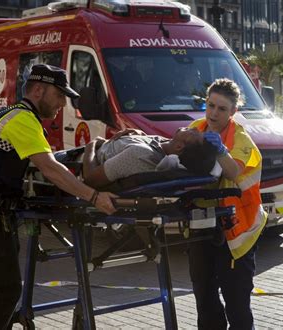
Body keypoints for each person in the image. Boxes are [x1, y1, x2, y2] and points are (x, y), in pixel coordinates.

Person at [0, 64, 117, 330]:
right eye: (59, 95)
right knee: (3, 293)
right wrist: (94, 196)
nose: (63, 103)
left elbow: (37, 161)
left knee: (2, 292)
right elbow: (50, 168)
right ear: (39, 90)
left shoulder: (8, 114)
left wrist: (90, 152)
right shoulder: (23, 120)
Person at [186, 78, 267, 329]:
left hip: (237, 231)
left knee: (236, 302)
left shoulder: (242, 141)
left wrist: (221, 150)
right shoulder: (195, 129)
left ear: (233, 111)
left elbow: (232, 172)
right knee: (205, 297)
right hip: (202, 223)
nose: (214, 113)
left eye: (222, 109)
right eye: (210, 105)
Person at [82, 127, 218, 189]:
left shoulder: (140, 155)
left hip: (79, 163)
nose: (194, 128)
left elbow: (90, 179)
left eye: (194, 133)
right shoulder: (163, 145)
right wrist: (139, 136)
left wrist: (92, 144)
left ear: (179, 147)